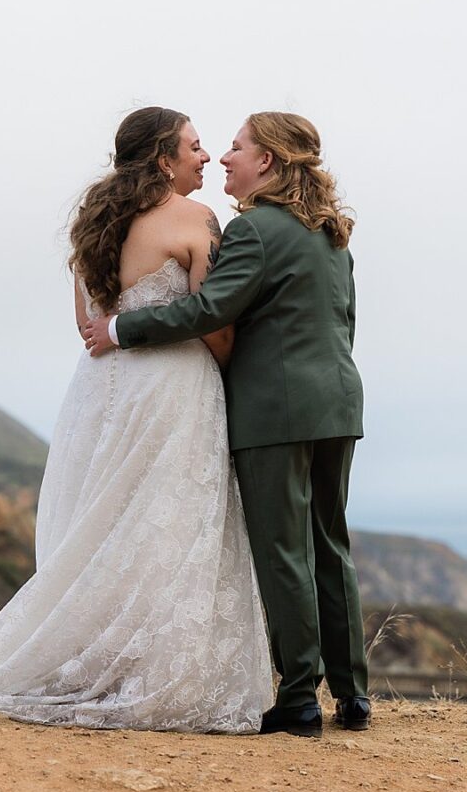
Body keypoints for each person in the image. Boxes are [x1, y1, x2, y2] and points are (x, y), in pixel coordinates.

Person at [0, 106, 272, 733]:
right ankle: (153, 674)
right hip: (174, 386)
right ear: (161, 158)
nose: (205, 158)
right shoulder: (197, 219)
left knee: (104, 526)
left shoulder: (95, 222)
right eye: (196, 147)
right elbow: (216, 326)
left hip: (99, 391)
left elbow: (86, 326)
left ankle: (98, 667)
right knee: (164, 524)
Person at [84, 111, 369, 738]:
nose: (225, 159)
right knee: (329, 542)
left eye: (237, 149)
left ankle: (298, 698)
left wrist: (121, 328)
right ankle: (353, 695)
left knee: (282, 552)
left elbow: (211, 309)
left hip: (274, 411)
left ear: (267, 161)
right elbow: (342, 323)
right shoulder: (331, 235)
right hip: (339, 404)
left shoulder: (256, 231)